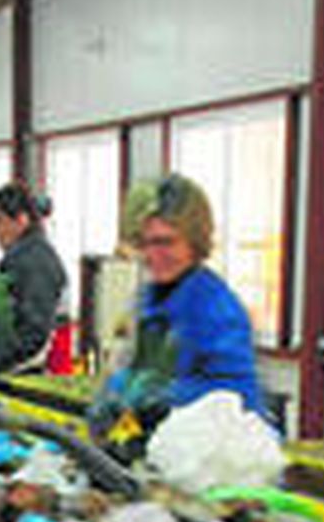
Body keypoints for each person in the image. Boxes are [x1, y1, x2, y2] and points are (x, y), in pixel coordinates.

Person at [90, 173, 268, 448]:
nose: (153, 255)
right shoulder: (147, 300)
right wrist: (113, 395)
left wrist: (169, 398)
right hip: (159, 444)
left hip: (208, 452)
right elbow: (132, 368)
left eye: (166, 242)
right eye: (145, 244)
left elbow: (237, 398)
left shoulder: (217, 309)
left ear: (195, 241)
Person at [0, 183, 66, 375]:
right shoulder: (23, 257)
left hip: (25, 372)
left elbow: (33, 335)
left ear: (21, 220)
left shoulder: (33, 262)